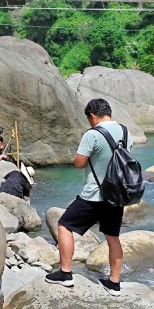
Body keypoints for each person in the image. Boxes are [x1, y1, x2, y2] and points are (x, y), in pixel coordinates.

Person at [45, 98, 130, 297]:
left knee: (64, 225)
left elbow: (79, 163)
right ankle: (114, 284)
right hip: (116, 195)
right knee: (112, 237)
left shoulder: (93, 134)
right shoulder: (126, 132)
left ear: (93, 115)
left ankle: (65, 273)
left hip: (94, 194)